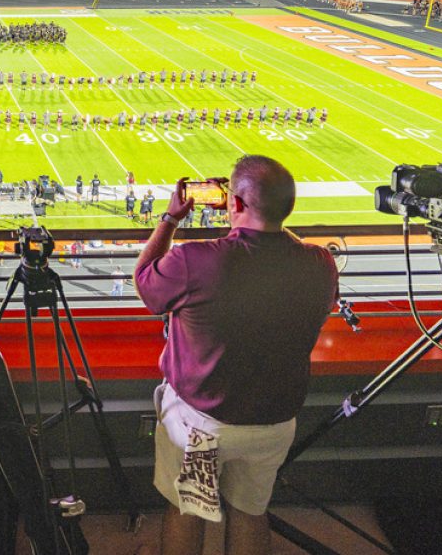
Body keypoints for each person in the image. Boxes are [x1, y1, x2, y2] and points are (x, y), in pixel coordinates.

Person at [134, 157, 337, 555]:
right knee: (250, 512)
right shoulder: (319, 264)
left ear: (237, 205)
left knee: (187, 510)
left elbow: (145, 281)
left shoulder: (197, 260)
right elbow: (282, 244)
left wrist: (170, 219)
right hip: (274, 421)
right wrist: (259, 212)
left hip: (202, 424)